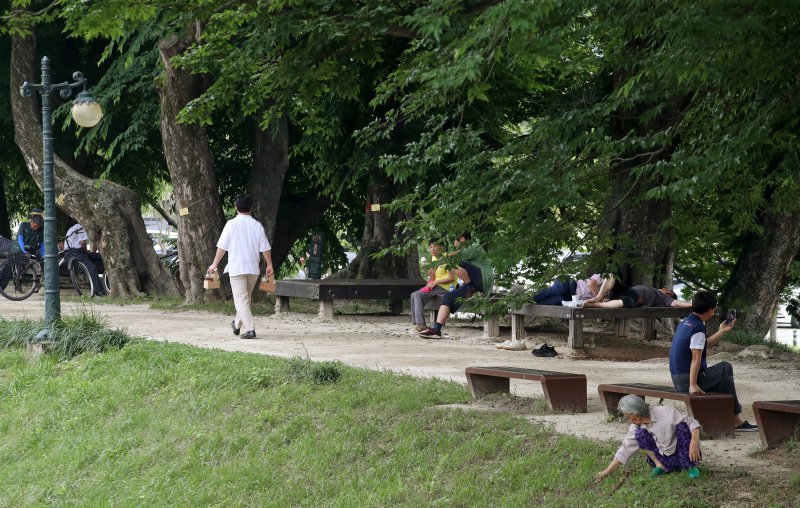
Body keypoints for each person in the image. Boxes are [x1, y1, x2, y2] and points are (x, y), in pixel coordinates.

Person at [668, 290, 757, 431]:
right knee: (725, 367)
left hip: (678, 377)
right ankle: (734, 420)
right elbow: (696, 357)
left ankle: (735, 419)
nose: (714, 310)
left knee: (726, 380)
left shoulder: (687, 322)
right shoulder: (697, 327)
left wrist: (721, 331)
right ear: (709, 310)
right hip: (688, 380)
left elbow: (703, 344)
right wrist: (693, 384)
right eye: (714, 307)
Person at [208, 194, 274, 340]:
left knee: (242, 300)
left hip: (237, 267)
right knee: (245, 299)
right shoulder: (257, 225)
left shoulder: (231, 224)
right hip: (253, 269)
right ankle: (237, 324)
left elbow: (222, 247)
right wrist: (269, 265)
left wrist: (214, 264)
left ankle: (250, 329)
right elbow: (265, 248)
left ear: (236, 208)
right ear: (251, 208)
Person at [596, 394, 701, 481]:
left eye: (629, 417)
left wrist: (694, 443)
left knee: (683, 427)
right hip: (664, 457)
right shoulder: (636, 426)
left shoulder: (666, 412)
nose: (629, 420)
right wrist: (606, 471)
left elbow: (693, 424)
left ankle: (690, 466)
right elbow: (625, 448)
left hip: (681, 454)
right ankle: (660, 466)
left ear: (636, 412)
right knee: (640, 434)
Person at [419, 233, 493, 339]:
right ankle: (436, 329)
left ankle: (470, 287)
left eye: (454, 241)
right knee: (448, 297)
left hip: (483, 278)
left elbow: (452, 257)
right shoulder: (463, 255)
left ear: (462, 238)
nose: (453, 244)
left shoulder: (474, 246)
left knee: (451, 261)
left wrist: (436, 258)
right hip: (474, 283)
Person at [410, 242, 456, 332]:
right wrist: (431, 276)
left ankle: (421, 325)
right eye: (430, 247)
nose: (432, 249)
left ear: (442, 247)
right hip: (436, 287)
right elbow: (435, 278)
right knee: (413, 294)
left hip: (446, 288)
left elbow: (452, 278)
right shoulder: (434, 259)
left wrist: (436, 281)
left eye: (435, 246)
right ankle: (416, 324)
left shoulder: (448, 258)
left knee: (417, 295)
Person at [583, 273, 691, 308]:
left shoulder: (664, 298)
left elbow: (676, 302)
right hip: (625, 291)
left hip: (632, 296)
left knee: (626, 302)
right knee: (612, 275)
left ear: (669, 293)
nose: (663, 288)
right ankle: (599, 296)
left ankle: (597, 304)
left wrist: (693, 304)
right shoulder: (655, 291)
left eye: (666, 289)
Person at [63, 222, 107, 296]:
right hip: (75, 252)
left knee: (100, 257)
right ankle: (98, 291)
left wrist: (91, 252)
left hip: (72, 252)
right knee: (91, 268)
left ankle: (106, 279)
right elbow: (82, 243)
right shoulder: (81, 227)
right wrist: (86, 251)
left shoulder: (74, 227)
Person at [532, 273, 604, 305]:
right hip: (570, 285)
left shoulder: (608, 295)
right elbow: (591, 283)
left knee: (552, 301)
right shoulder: (605, 278)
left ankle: (530, 301)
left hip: (571, 298)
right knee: (555, 291)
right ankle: (528, 297)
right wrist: (598, 297)